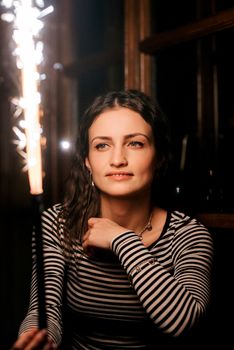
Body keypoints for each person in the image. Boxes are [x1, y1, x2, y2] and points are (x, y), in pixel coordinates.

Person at [12, 89, 213, 349]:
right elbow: (44, 308)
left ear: (159, 156)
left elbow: (183, 322)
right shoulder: (57, 223)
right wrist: (39, 338)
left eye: (135, 143)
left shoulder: (189, 235)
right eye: (102, 145)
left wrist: (121, 239)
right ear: (87, 160)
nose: (118, 160)